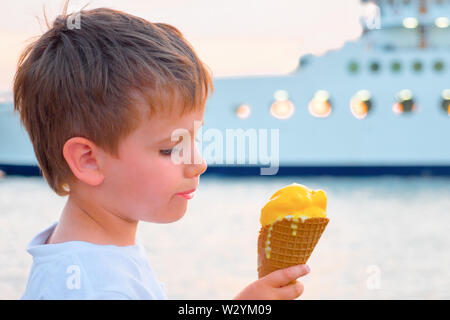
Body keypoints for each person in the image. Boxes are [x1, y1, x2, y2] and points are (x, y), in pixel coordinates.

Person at [14, 4, 310, 300]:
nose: (199, 163)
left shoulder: (90, 255)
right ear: (88, 160)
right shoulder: (94, 288)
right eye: (170, 148)